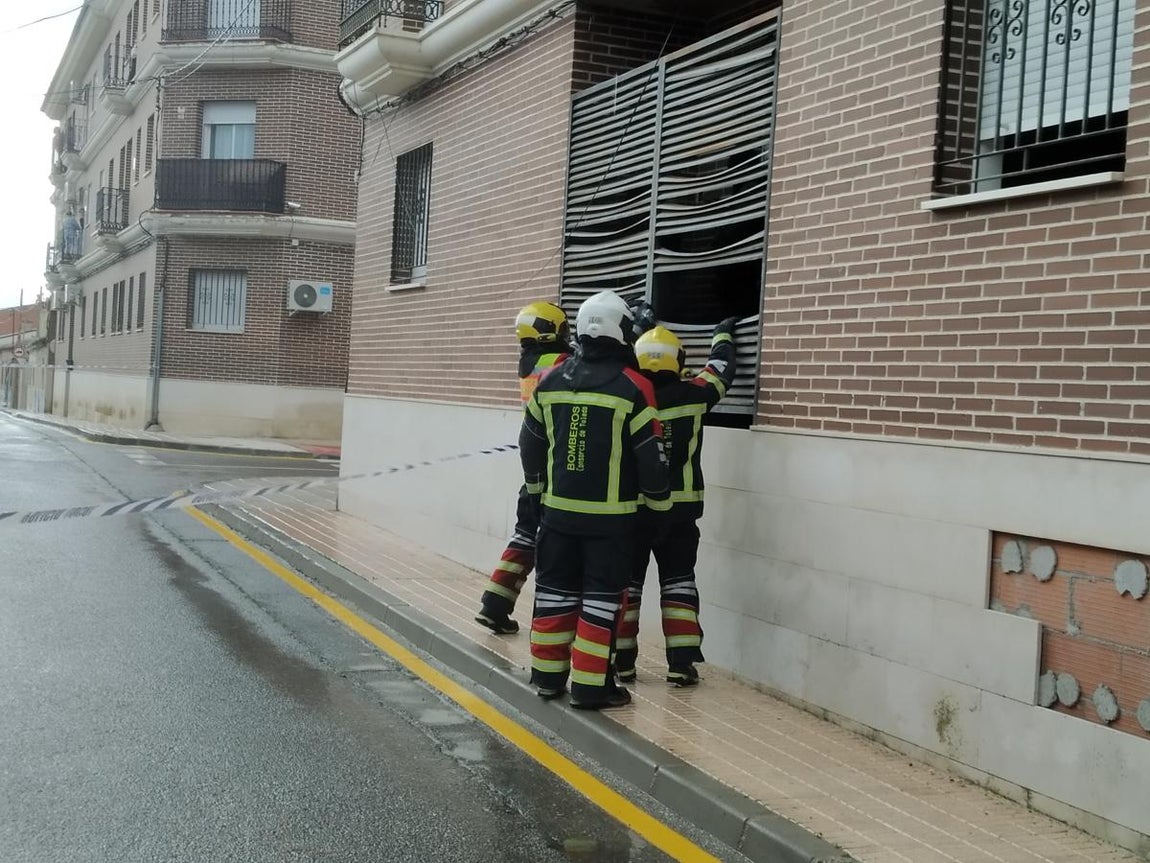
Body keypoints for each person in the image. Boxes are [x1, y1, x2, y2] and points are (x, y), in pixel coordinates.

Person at [520, 290, 671, 710]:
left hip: (556, 518)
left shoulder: (550, 381)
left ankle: (548, 678)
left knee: (553, 595)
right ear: (621, 332)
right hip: (612, 525)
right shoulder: (635, 387)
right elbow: (653, 463)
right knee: (601, 603)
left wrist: (536, 497)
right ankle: (590, 688)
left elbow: (528, 445)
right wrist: (659, 512)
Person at [615, 317, 739, 687]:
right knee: (679, 584)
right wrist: (722, 334)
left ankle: (622, 664)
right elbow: (721, 371)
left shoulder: (629, 396)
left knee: (629, 586)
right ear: (678, 360)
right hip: (680, 516)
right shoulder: (696, 395)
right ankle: (681, 663)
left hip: (635, 513)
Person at [475, 301, 573, 635]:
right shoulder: (557, 362)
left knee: (524, 536)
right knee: (547, 544)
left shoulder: (529, 362)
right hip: (555, 466)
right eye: (562, 328)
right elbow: (590, 365)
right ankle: (541, 622)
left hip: (534, 467)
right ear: (549, 331)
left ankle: (494, 605)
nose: (567, 334)